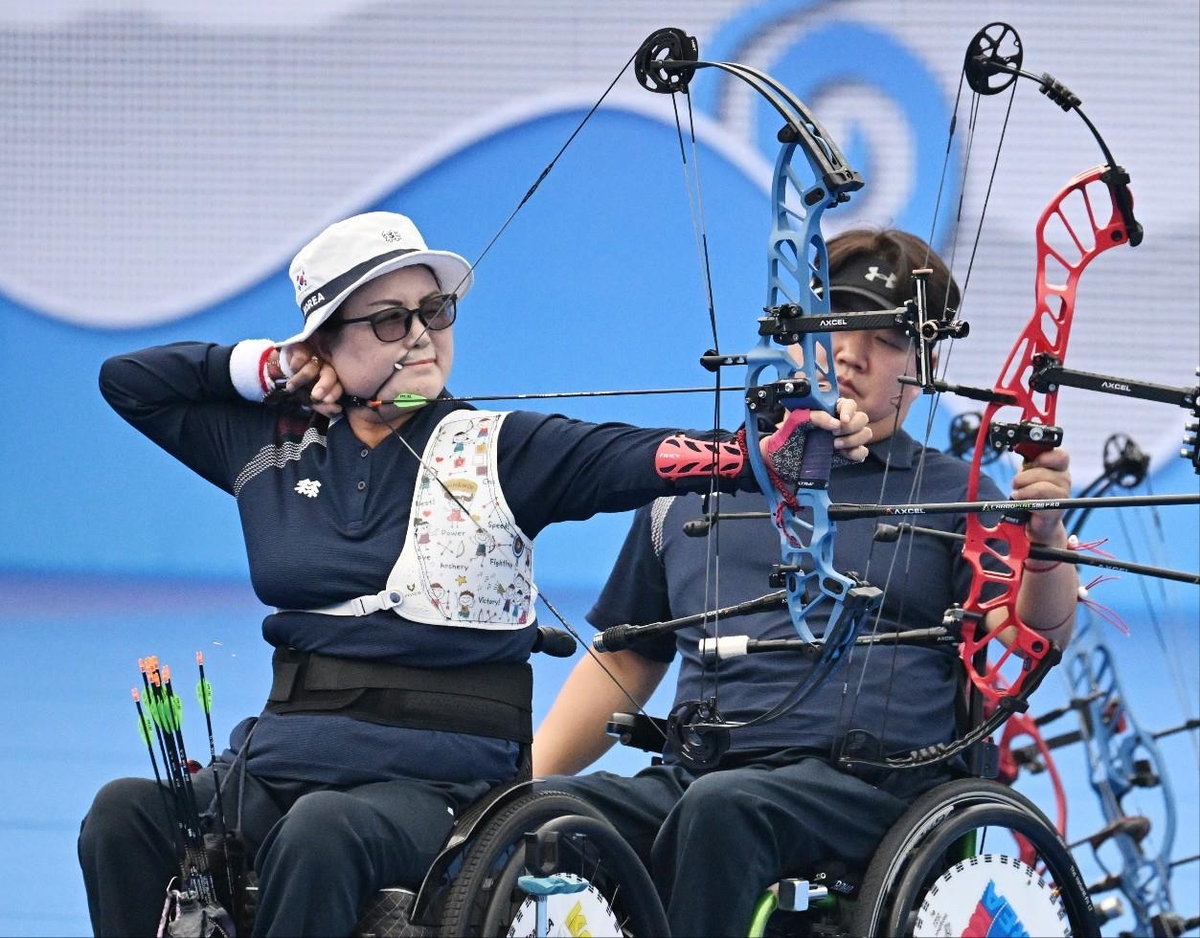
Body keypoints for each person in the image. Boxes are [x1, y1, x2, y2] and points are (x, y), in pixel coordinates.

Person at [77, 210, 871, 936]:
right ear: (325, 341)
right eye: (390, 319)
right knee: (124, 814)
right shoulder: (271, 445)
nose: (421, 335)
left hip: (442, 782)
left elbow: (632, 456)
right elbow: (130, 382)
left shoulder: (499, 446)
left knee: (319, 832)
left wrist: (761, 456)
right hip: (280, 757)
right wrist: (267, 366)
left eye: (436, 311)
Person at [533, 228, 1079, 937]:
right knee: (546, 822)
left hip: (872, 791)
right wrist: (524, 787)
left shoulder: (960, 493)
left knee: (723, 809)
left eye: (883, 337)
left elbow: (1029, 633)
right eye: (832, 320)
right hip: (702, 774)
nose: (850, 351)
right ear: (792, 336)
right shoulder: (698, 479)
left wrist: (1045, 541)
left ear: (923, 366)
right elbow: (627, 657)